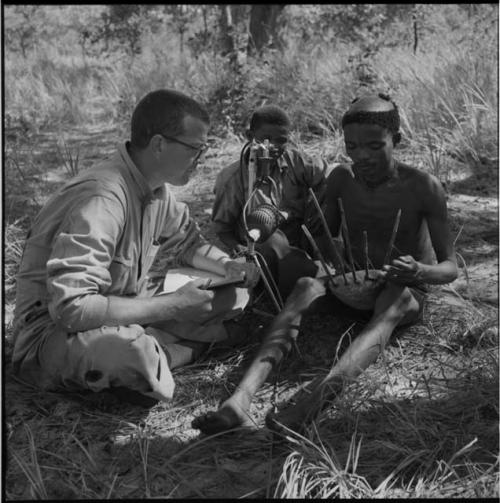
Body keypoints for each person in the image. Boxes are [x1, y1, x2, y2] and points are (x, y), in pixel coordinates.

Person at [192, 93, 458, 434]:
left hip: (402, 288)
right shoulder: (341, 180)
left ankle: (307, 409)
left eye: (374, 146)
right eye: (352, 146)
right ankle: (239, 401)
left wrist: (418, 271)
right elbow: (323, 240)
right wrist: (331, 264)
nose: (361, 156)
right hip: (351, 283)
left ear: (398, 140)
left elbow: (449, 268)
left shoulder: (424, 187)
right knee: (304, 286)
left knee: (396, 299)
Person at [12, 89, 260, 406]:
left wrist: (229, 268)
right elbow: (71, 309)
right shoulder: (102, 200)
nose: (201, 160)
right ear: (159, 144)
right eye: (196, 149)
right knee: (129, 356)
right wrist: (173, 306)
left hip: (119, 310)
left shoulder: (156, 189)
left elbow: (189, 243)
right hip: (51, 332)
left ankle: (161, 349)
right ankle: (173, 351)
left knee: (231, 294)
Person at [211, 105, 332, 299]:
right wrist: (237, 248)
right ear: (250, 136)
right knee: (273, 240)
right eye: (265, 140)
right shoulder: (232, 180)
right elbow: (222, 229)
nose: (273, 147)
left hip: (301, 235)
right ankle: (300, 285)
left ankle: (323, 268)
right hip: (262, 246)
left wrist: (324, 209)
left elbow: (330, 176)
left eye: (281, 140)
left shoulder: (295, 160)